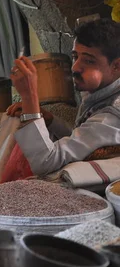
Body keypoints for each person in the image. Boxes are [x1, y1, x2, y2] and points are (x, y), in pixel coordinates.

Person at [7, 18, 120, 176]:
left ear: (116, 66)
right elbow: (83, 138)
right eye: (75, 56)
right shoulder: (99, 91)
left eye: (88, 60)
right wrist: (51, 121)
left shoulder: (111, 117)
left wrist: (29, 96)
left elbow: (44, 162)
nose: (75, 67)